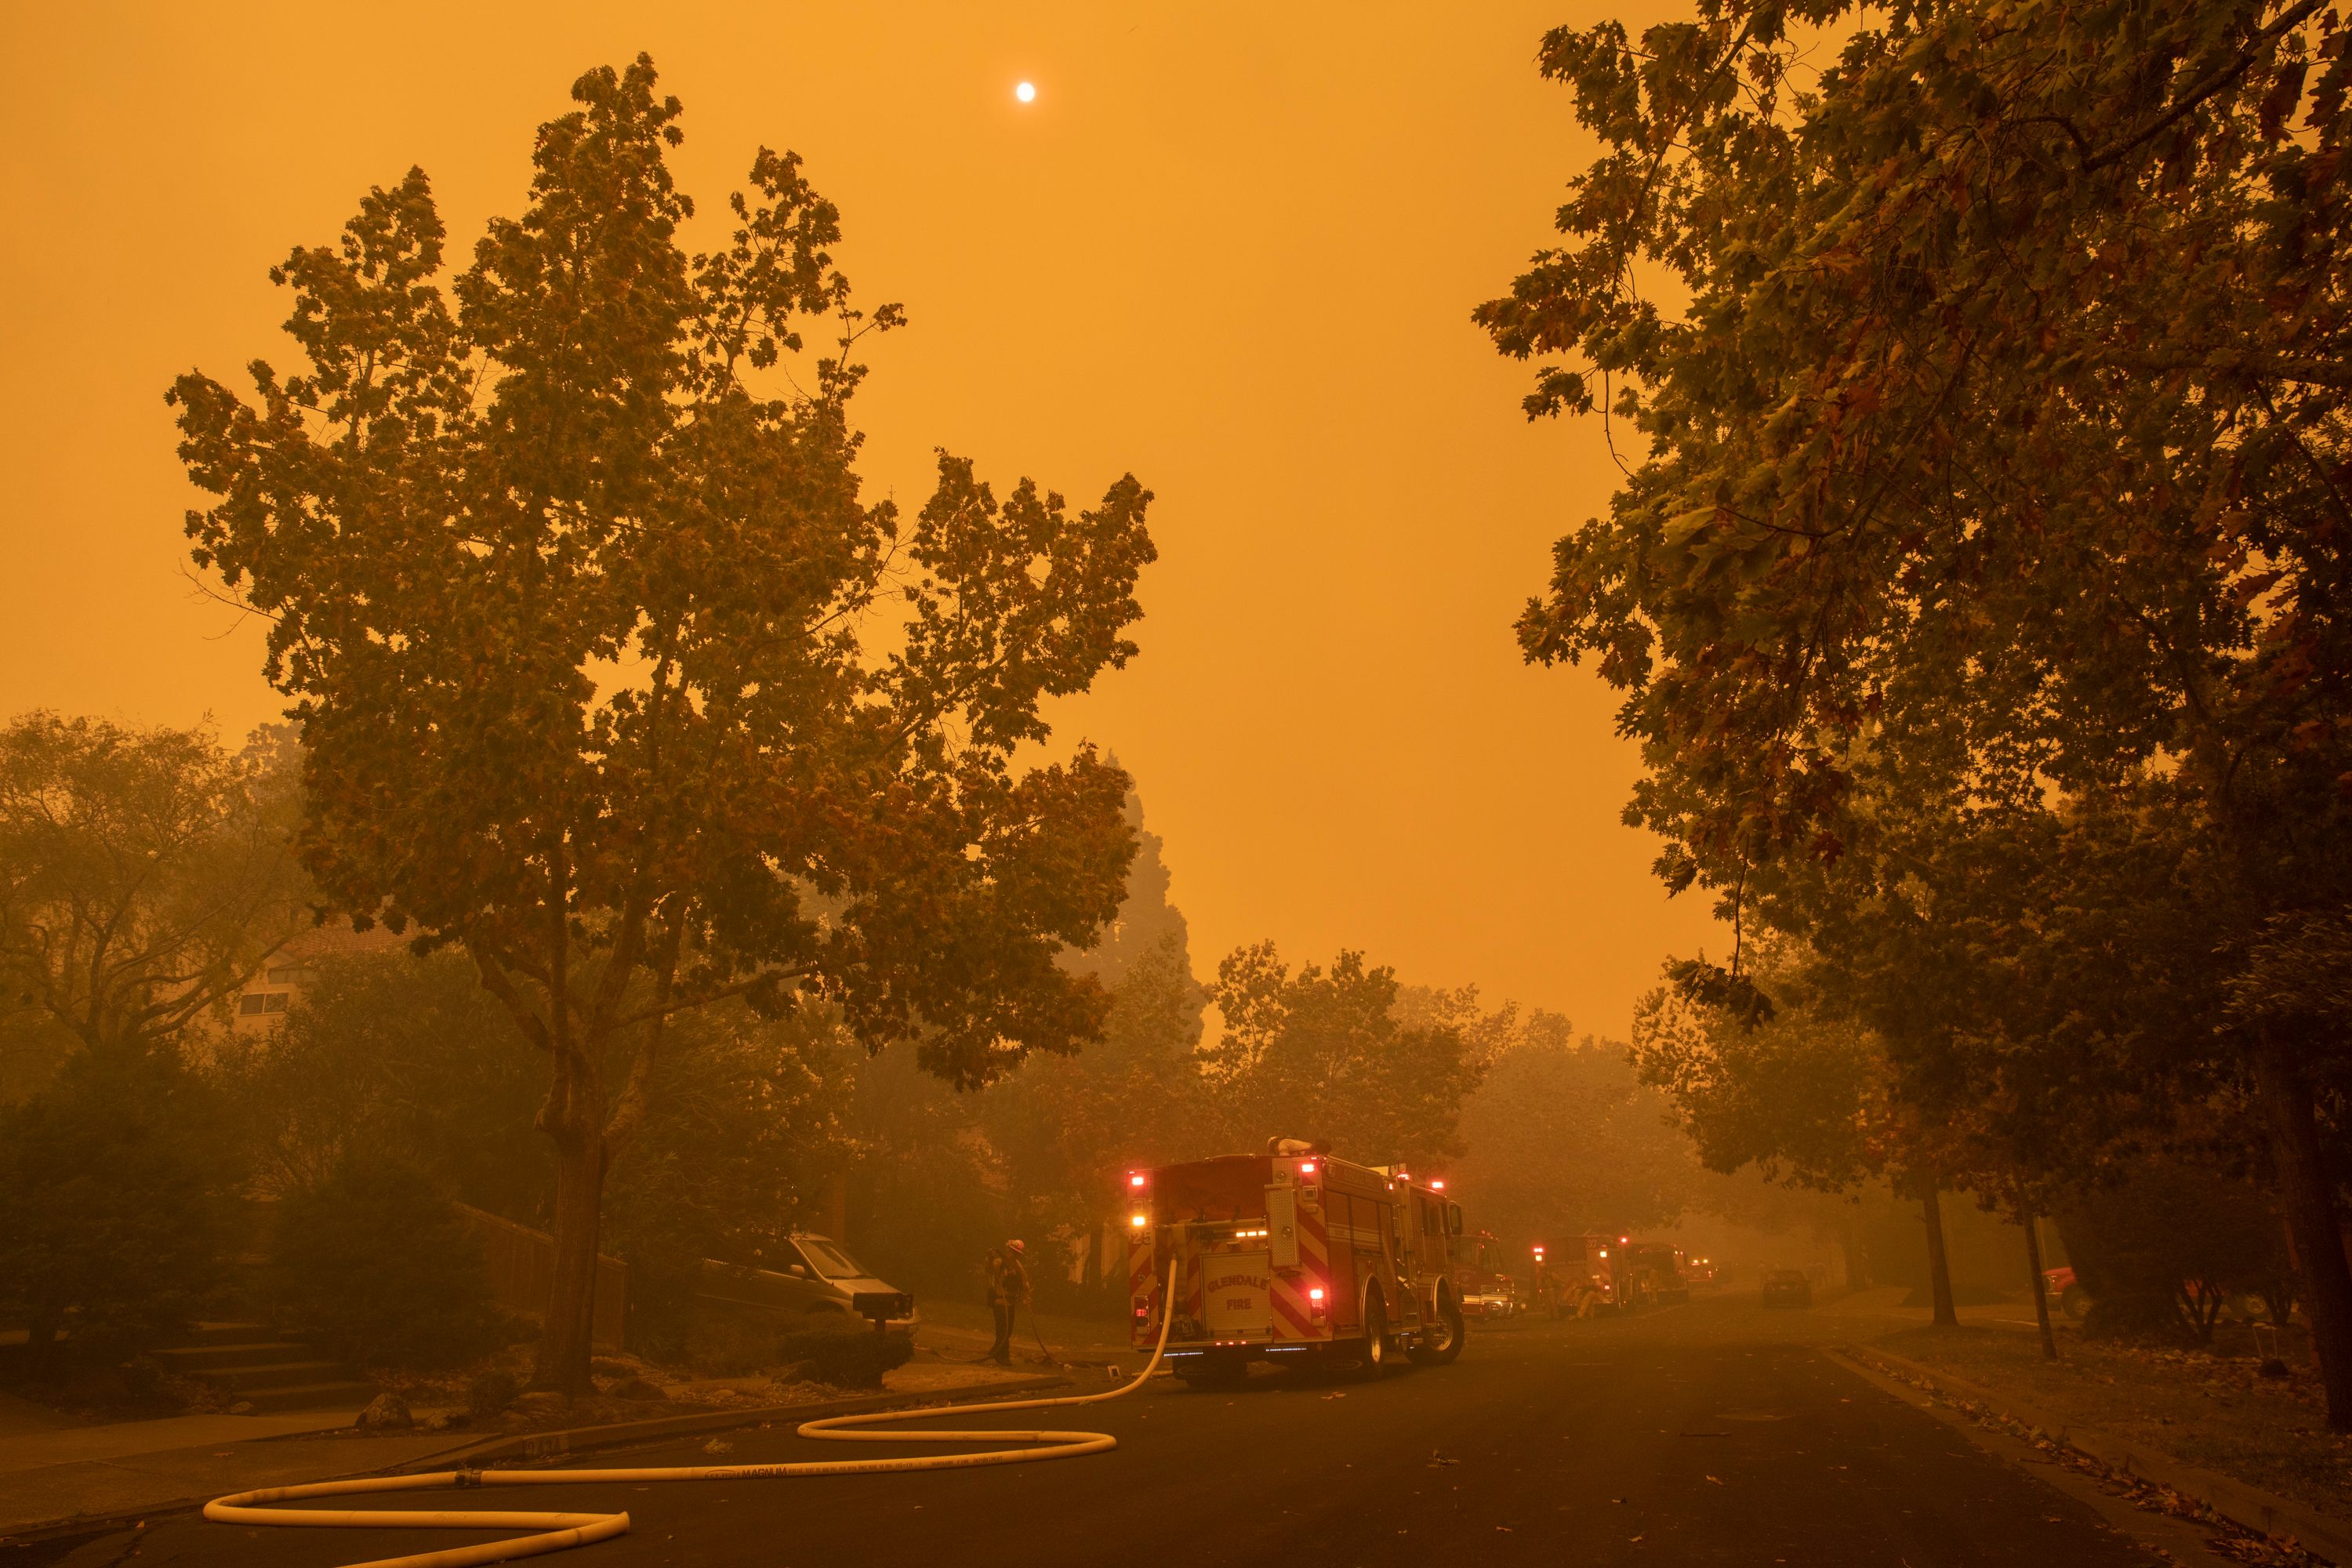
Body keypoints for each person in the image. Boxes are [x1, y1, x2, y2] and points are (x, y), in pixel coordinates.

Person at [987, 1239, 1032, 1367]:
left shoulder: (1018, 1266)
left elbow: (1025, 1282)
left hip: (1011, 1304)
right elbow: (989, 1270)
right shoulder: (999, 1262)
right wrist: (989, 1258)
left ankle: (995, 1350)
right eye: (1012, 1252)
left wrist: (1027, 1297)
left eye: (1016, 1253)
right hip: (1000, 1302)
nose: (1014, 1254)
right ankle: (1003, 1356)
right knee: (1003, 1331)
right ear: (1008, 1250)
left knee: (1008, 1331)